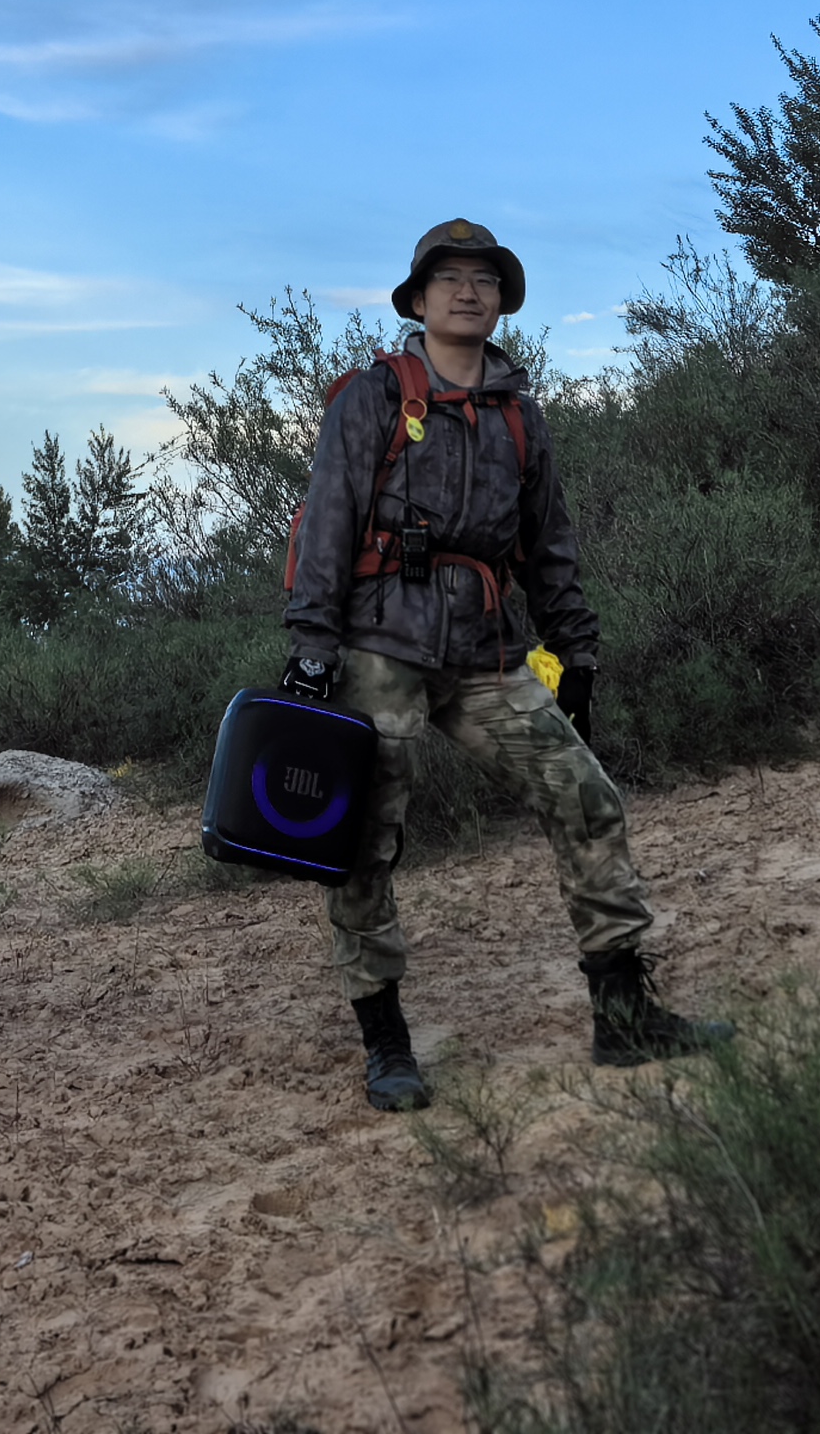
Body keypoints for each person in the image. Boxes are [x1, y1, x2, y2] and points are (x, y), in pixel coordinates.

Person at [280, 217, 733, 1111]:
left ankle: (624, 1018)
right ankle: (386, 1042)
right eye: (449, 278)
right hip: (380, 645)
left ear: (501, 300)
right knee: (363, 842)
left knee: (587, 799)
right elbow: (326, 520)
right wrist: (311, 649)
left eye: (483, 278)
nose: (467, 291)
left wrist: (576, 648)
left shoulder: (520, 417)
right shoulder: (373, 397)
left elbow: (547, 544)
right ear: (418, 300)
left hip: (487, 651)